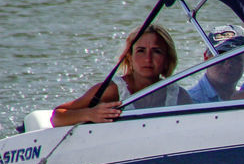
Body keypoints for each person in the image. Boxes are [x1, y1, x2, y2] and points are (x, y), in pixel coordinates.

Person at [51, 23, 188, 126]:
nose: (148, 59)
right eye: (141, 51)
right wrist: (90, 114)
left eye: (156, 51)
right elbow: (57, 117)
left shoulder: (177, 95)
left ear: (167, 59)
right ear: (129, 57)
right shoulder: (113, 91)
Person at [188, 24, 244, 103]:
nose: (228, 65)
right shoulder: (189, 101)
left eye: (235, 58)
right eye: (221, 58)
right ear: (206, 58)